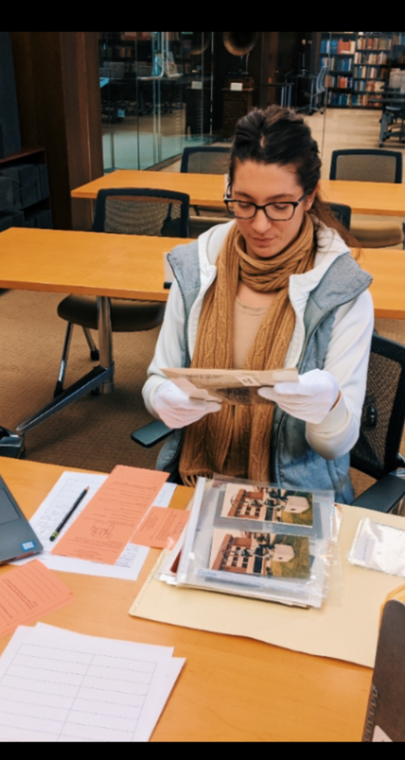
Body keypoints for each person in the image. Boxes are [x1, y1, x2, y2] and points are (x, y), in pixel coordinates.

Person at [142, 106, 374, 503]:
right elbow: (155, 380)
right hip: (194, 482)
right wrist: (162, 398)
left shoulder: (344, 293)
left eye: (280, 205)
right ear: (228, 189)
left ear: (309, 196)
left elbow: (336, 446)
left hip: (290, 495)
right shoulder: (196, 269)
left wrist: (330, 405)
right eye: (244, 202)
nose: (260, 225)